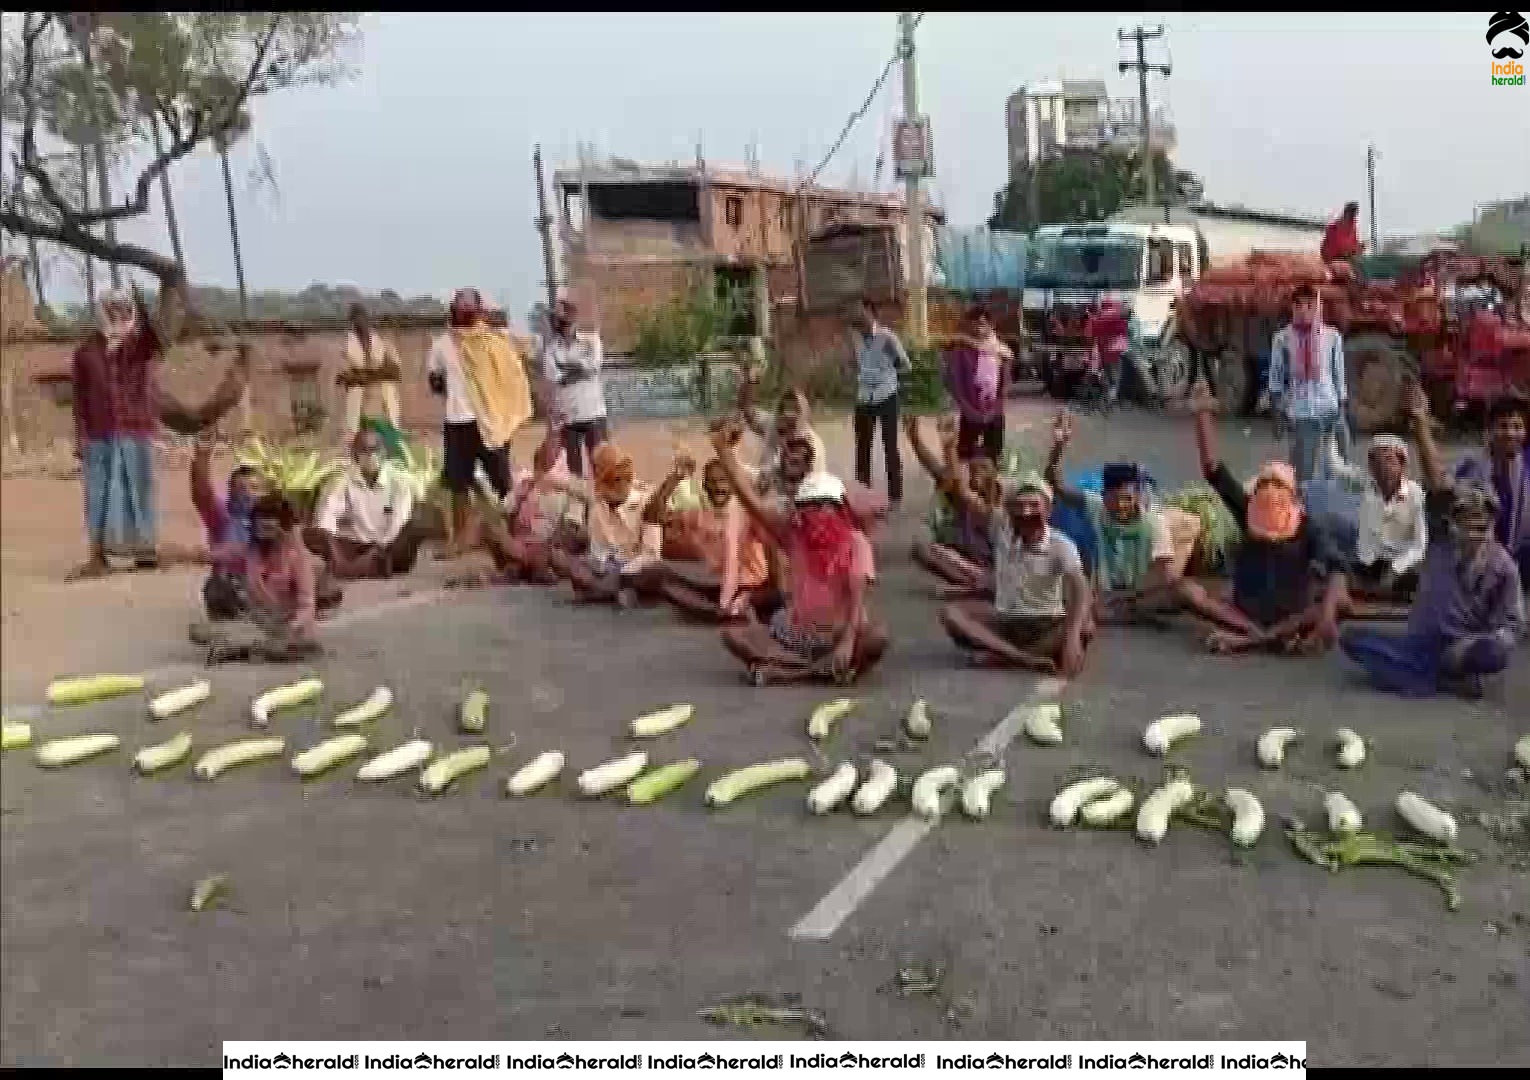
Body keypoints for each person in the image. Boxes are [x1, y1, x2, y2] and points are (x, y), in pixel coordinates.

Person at [1340, 385, 1525, 698]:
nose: (1476, 524)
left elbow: (1513, 624)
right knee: (1351, 638)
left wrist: (1482, 642)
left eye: (1484, 520)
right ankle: (1434, 677)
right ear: (1453, 521)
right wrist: (1421, 424)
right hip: (1421, 641)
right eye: (1468, 517)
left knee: (1497, 654)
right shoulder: (1441, 541)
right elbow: (1439, 485)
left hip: (1462, 647)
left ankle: (1429, 673)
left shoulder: (1503, 566)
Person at [709, 422, 888, 686]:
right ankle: (814, 670)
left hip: (841, 632)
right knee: (735, 636)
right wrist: (723, 450)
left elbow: (858, 599)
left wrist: (848, 642)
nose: (816, 513)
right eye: (809, 506)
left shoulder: (856, 542)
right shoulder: (793, 534)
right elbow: (749, 499)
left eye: (823, 505)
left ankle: (790, 671)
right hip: (797, 633)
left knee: (879, 637)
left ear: (837, 508)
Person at [1183, 381, 1352, 655]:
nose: (1271, 495)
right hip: (1242, 613)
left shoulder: (1308, 526)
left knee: (1340, 603)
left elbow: (1337, 568)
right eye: (1266, 487)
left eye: (1278, 489)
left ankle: (1251, 640)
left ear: (1293, 497)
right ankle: (1263, 637)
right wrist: (1202, 415)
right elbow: (1214, 471)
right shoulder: (1247, 508)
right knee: (1187, 590)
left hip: (1291, 617)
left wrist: (1329, 614)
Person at [1043, 412, 1200, 628]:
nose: (1121, 505)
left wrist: (1136, 594)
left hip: (1138, 594)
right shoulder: (1097, 507)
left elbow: (1165, 572)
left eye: (1127, 499)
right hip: (1107, 595)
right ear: (1103, 496)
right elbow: (1057, 486)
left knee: (1187, 592)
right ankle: (1127, 614)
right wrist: (1058, 447)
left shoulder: (1153, 522)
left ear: (1137, 495)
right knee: (1083, 604)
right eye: (1114, 499)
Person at [937, 470, 1092, 676]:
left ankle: (1002, 656)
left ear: (1048, 510)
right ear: (1009, 511)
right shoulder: (1001, 529)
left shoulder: (1061, 544)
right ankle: (1022, 658)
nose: (1026, 512)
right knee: (951, 613)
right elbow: (963, 495)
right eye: (1019, 506)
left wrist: (1072, 639)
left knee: (1085, 626)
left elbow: (1080, 588)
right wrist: (950, 451)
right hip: (1006, 620)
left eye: (1034, 506)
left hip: (1046, 623)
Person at [427, 287, 534, 556]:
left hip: (491, 421)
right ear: (453, 311)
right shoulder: (441, 344)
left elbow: (513, 373)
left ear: (479, 312)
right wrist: (456, 391)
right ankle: (460, 541)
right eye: (460, 310)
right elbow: (435, 380)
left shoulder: (495, 341)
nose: (464, 315)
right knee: (458, 484)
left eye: (469, 311)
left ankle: (513, 535)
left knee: (502, 482)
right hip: (457, 422)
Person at [69, 288, 168, 577]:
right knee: (98, 494)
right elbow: (79, 397)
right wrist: (80, 437)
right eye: (112, 308)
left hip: (136, 430)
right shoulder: (86, 351)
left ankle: (144, 552)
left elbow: (154, 338)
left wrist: (143, 307)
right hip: (98, 435)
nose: (118, 314)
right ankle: (99, 555)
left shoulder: (139, 345)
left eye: (124, 309)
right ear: (102, 311)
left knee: (140, 488)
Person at [640, 451, 776, 622]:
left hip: (753, 586)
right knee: (660, 577)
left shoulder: (748, 514)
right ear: (705, 486)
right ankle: (722, 609)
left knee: (771, 594)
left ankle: (734, 606)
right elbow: (652, 516)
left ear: (734, 485)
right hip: (716, 585)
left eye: (723, 481)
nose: (718, 487)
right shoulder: (698, 516)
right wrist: (675, 478)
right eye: (712, 482)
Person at [191, 494, 324, 665]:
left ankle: (246, 648)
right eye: (260, 521)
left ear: (283, 526)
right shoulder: (250, 551)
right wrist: (181, 555)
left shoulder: (298, 558)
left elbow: (307, 606)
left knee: (275, 645)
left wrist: (293, 628)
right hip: (261, 623)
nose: (263, 527)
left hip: (291, 629)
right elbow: (215, 556)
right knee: (199, 630)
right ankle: (248, 646)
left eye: (270, 522)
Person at [540, 442, 663, 606]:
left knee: (651, 571)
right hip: (602, 566)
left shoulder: (646, 499)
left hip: (632, 567)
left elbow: (651, 554)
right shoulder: (596, 493)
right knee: (560, 559)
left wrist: (623, 572)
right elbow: (553, 479)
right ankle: (609, 590)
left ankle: (604, 590)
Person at [304, 427, 430, 580]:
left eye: (374, 450)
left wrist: (380, 547)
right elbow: (327, 513)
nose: (370, 455)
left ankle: (356, 566)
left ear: (384, 452)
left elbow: (399, 521)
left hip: (391, 546)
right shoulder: (343, 480)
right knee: (312, 535)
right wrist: (327, 537)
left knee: (414, 526)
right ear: (355, 455)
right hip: (359, 546)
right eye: (364, 451)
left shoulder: (400, 480)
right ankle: (366, 566)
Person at [1322, 433, 1428, 602]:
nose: (1383, 468)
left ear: (1402, 465)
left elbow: (1419, 546)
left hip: (1401, 563)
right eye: (1377, 462)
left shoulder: (1415, 494)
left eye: (1389, 461)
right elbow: (1337, 468)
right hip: (1368, 559)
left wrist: (1395, 570)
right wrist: (1329, 438)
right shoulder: (1367, 482)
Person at [905, 413, 1000, 593]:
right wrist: (916, 440)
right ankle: (967, 584)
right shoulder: (967, 490)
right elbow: (939, 472)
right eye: (974, 470)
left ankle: (977, 587)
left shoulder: (999, 500)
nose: (978, 474)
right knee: (921, 548)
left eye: (984, 469)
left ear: (996, 471)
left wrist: (950, 449)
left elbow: (960, 489)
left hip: (996, 567)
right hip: (970, 557)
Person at [1268, 283, 1349, 487]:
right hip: (1300, 412)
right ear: (1292, 307)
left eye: (1310, 305)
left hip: (1329, 409)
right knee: (1302, 475)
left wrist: (1342, 413)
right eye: (1299, 305)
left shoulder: (1332, 336)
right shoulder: (1282, 338)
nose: (1304, 311)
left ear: (1318, 306)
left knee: (1335, 470)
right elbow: (1276, 379)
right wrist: (1277, 415)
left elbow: (1339, 374)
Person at [1452, 393, 1528, 585]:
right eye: (1503, 426)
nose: (1510, 433)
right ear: (1489, 431)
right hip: (1483, 564)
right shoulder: (1471, 468)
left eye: (1517, 427)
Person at [847, 297, 911, 505]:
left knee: (890, 446)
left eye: (861, 312)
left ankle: (895, 496)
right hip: (864, 397)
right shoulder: (854, 339)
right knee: (862, 447)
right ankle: (862, 495)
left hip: (887, 395)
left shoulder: (887, 337)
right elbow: (853, 365)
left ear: (871, 312)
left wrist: (887, 374)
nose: (858, 316)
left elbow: (905, 365)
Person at [539, 298, 608, 477]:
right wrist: (579, 368)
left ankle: (603, 503)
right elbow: (556, 378)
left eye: (562, 318)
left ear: (573, 317)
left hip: (594, 412)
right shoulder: (552, 349)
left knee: (601, 464)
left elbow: (594, 367)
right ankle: (579, 504)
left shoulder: (591, 340)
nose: (559, 322)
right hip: (568, 417)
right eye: (555, 318)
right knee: (573, 470)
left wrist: (567, 367)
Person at [943, 305, 1011, 461]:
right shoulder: (961, 351)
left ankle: (990, 484)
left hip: (994, 412)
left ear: (991, 325)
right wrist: (965, 406)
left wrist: (997, 408)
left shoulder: (1002, 351)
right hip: (969, 411)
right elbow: (951, 380)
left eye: (982, 323)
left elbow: (1005, 383)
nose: (978, 327)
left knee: (993, 457)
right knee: (965, 457)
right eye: (974, 323)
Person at [338, 302, 403, 441]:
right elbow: (344, 377)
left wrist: (361, 375)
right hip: (358, 401)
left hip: (383, 399)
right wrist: (378, 373)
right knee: (358, 439)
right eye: (355, 318)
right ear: (351, 321)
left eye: (362, 316)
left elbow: (395, 372)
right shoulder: (346, 345)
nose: (359, 321)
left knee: (389, 438)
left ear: (367, 318)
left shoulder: (383, 342)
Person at [1320, 202, 1364, 268]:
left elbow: (1354, 242)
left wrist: (1357, 249)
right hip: (1333, 256)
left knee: (1361, 247)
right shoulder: (1334, 227)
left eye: (1355, 212)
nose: (1354, 215)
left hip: (1344, 255)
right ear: (1346, 212)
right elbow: (1330, 246)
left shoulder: (1353, 226)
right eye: (1352, 211)